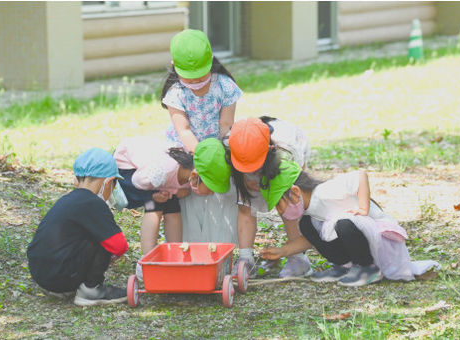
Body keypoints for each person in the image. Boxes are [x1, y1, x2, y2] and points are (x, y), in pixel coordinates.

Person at [260, 160, 440, 286]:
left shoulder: (325, 192)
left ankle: (367, 268)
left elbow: (359, 176)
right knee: (308, 225)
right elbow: (310, 239)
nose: (279, 211)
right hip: (361, 236)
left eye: (278, 204)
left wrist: (363, 208)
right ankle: (344, 266)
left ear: (295, 192)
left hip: (380, 241)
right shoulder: (310, 211)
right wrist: (283, 251)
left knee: (344, 223)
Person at [160, 29, 242, 245]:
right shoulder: (175, 93)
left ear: (211, 61)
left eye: (201, 76)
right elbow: (183, 130)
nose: (196, 81)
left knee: (218, 196)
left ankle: (220, 245)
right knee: (191, 200)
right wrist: (201, 156)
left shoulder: (224, 86)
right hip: (187, 151)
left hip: (216, 149)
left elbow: (226, 124)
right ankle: (192, 247)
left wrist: (214, 157)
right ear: (174, 66)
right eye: (189, 77)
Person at [113, 137, 231, 279]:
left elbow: (176, 189)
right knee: (154, 206)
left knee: (173, 207)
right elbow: (139, 182)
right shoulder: (162, 171)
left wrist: (171, 193)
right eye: (211, 187)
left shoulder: (189, 171)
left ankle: (175, 256)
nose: (212, 192)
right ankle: (146, 262)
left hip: (153, 177)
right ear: (195, 176)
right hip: (128, 171)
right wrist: (163, 193)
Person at [27, 148, 129, 306]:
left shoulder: (66, 200)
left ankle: (62, 287)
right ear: (108, 182)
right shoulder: (95, 204)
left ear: (77, 180)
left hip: (40, 274)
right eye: (114, 186)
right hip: (61, 277)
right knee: (103, 238)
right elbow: (120, 245)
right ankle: (91, 290)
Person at [227, 116, 312, 278]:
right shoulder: (237, 146)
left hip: (282, 161)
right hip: (255, 153)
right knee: (245, 205)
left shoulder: (286, 154)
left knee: (288, 206)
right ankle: (246, 258)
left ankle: (298, 258)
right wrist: (247, 179)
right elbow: (245, 211)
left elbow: (293, 208)